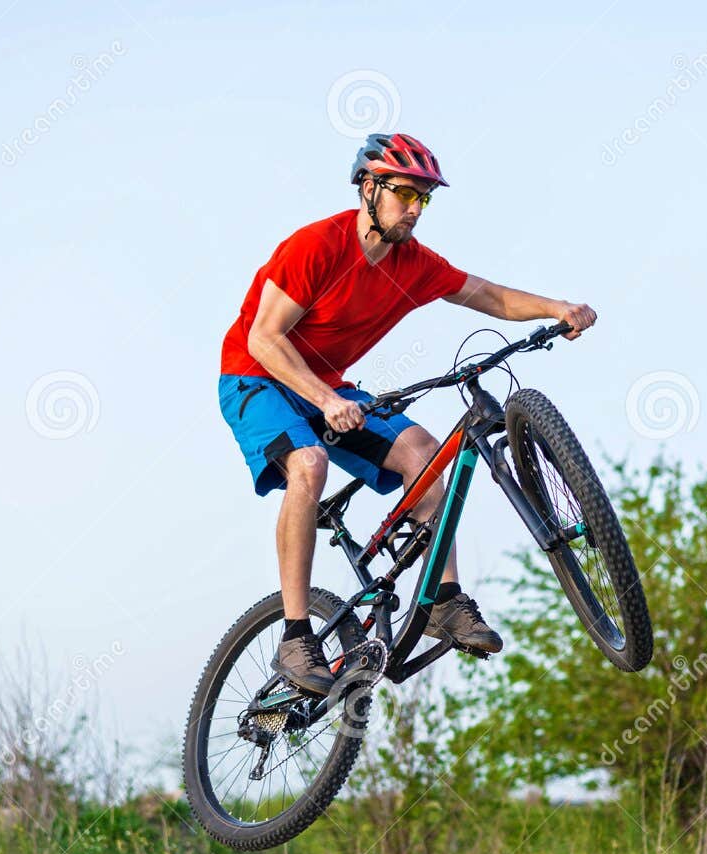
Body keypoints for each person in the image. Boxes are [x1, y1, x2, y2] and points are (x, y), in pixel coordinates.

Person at [218, 131, 597, 694]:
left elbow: (486, 296)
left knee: (424, 453)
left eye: (426, 198)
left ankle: (443, 598)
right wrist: (326, 400)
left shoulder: (412, 264)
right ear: (369, 189)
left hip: (328, 385)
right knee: (310, 463)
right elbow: (266, 339)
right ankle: (296, 637)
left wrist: (557, 308)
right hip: (255, 378)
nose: (416, 208)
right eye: (405, 193)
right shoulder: (317, 247)